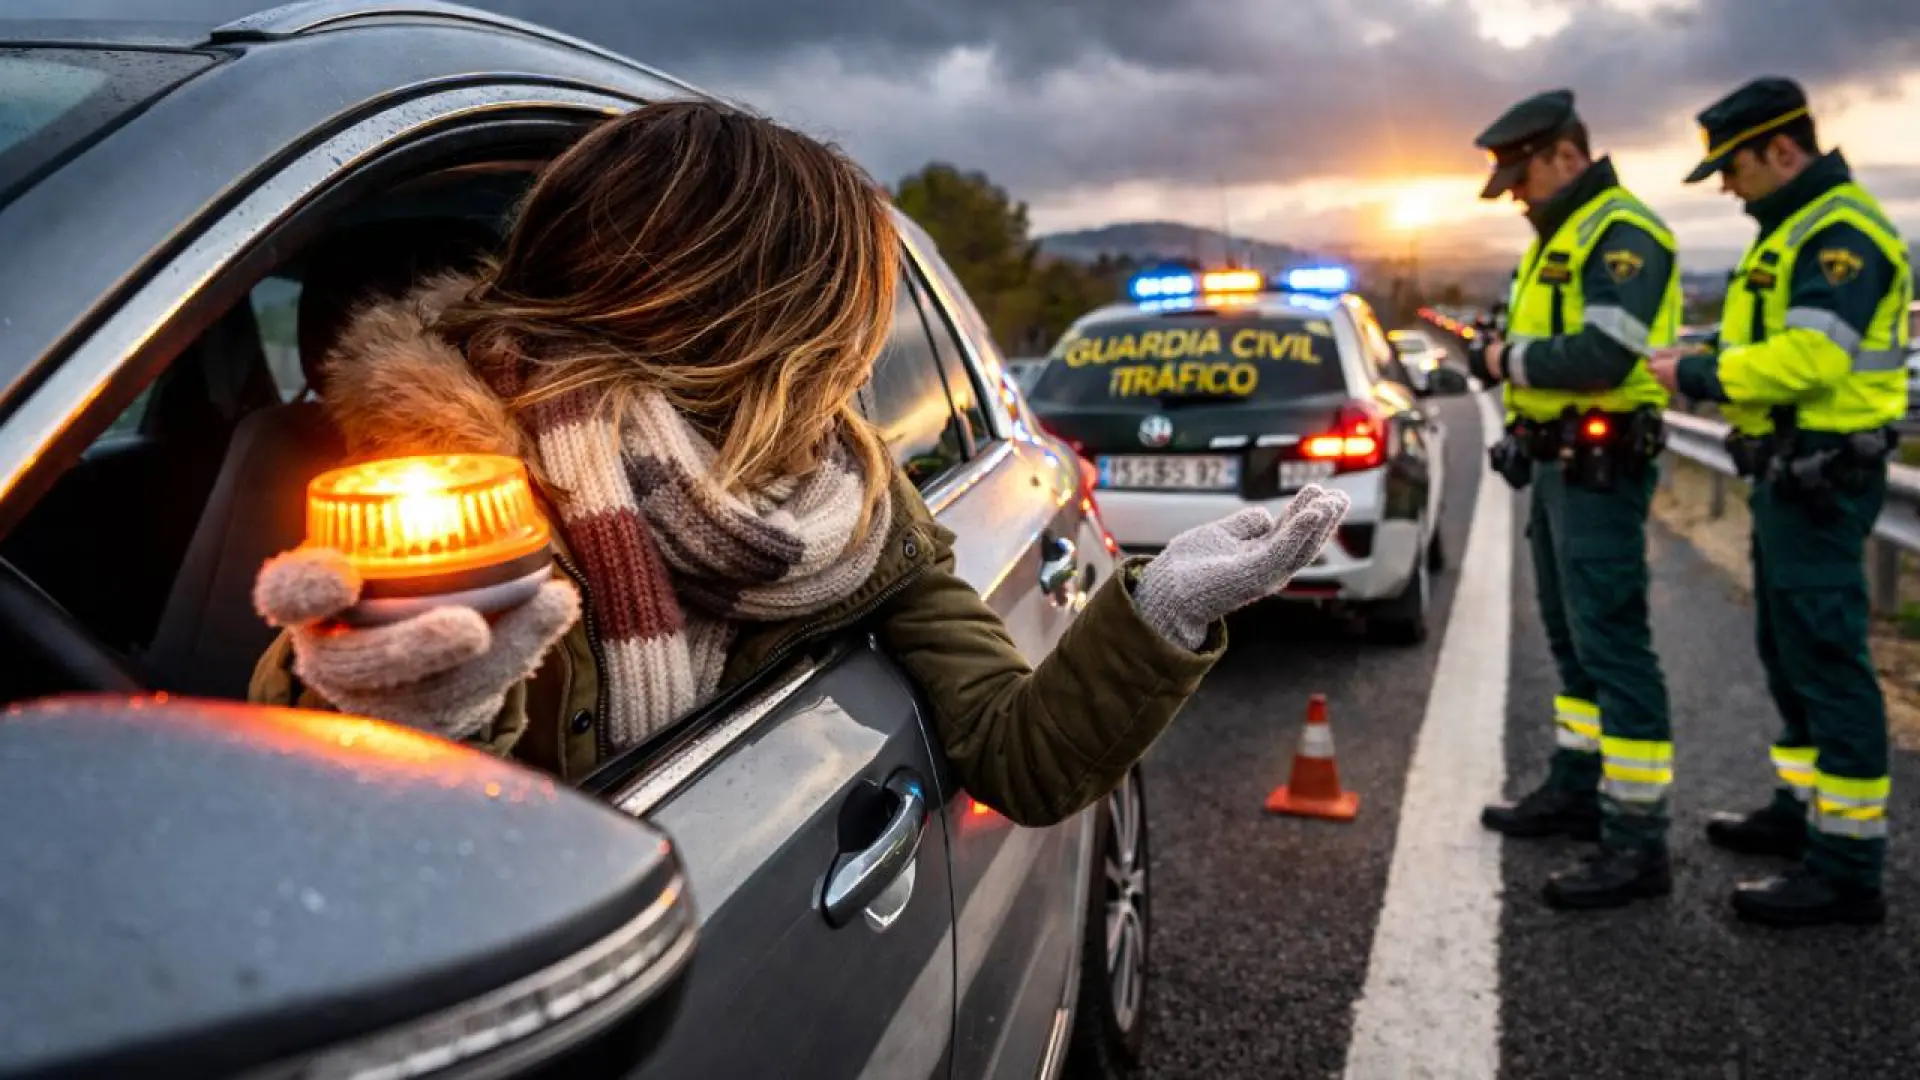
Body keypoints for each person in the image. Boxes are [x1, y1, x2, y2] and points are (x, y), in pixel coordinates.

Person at [245, 100, 1350, 826]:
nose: (857, 362)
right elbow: (312, 831)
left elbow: (1022, 759)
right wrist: (374, 705)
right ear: (769, 319)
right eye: (846, 320)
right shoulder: (433, 489)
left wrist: (1161, 608)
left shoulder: (860, 517)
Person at [1649, 77, 1909, 927]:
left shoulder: (1839, 234)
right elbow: (1766, 341)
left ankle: (1847, 865)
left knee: (1828, 660)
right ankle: (1802, 814)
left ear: (1782, 150)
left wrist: (1698, 373)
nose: (1726, 184)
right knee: (1789, 650)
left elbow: (1812, 359)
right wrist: (1703, 350)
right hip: (1790, 473)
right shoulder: (1792, 230)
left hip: (1825, 476)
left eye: (1734, 165)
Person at [1466, 89, 1682, 910]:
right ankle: (1579, 787)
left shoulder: (1622, 233)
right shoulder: (1560, 236)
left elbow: (1598, 355)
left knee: (1614, 646)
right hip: (1556, 468)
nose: (1517, 195)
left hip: (1602, 472)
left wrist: (1502, 361)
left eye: (1524, 177)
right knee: (1572, 640)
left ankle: (1635, 841)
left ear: (1566, 154)